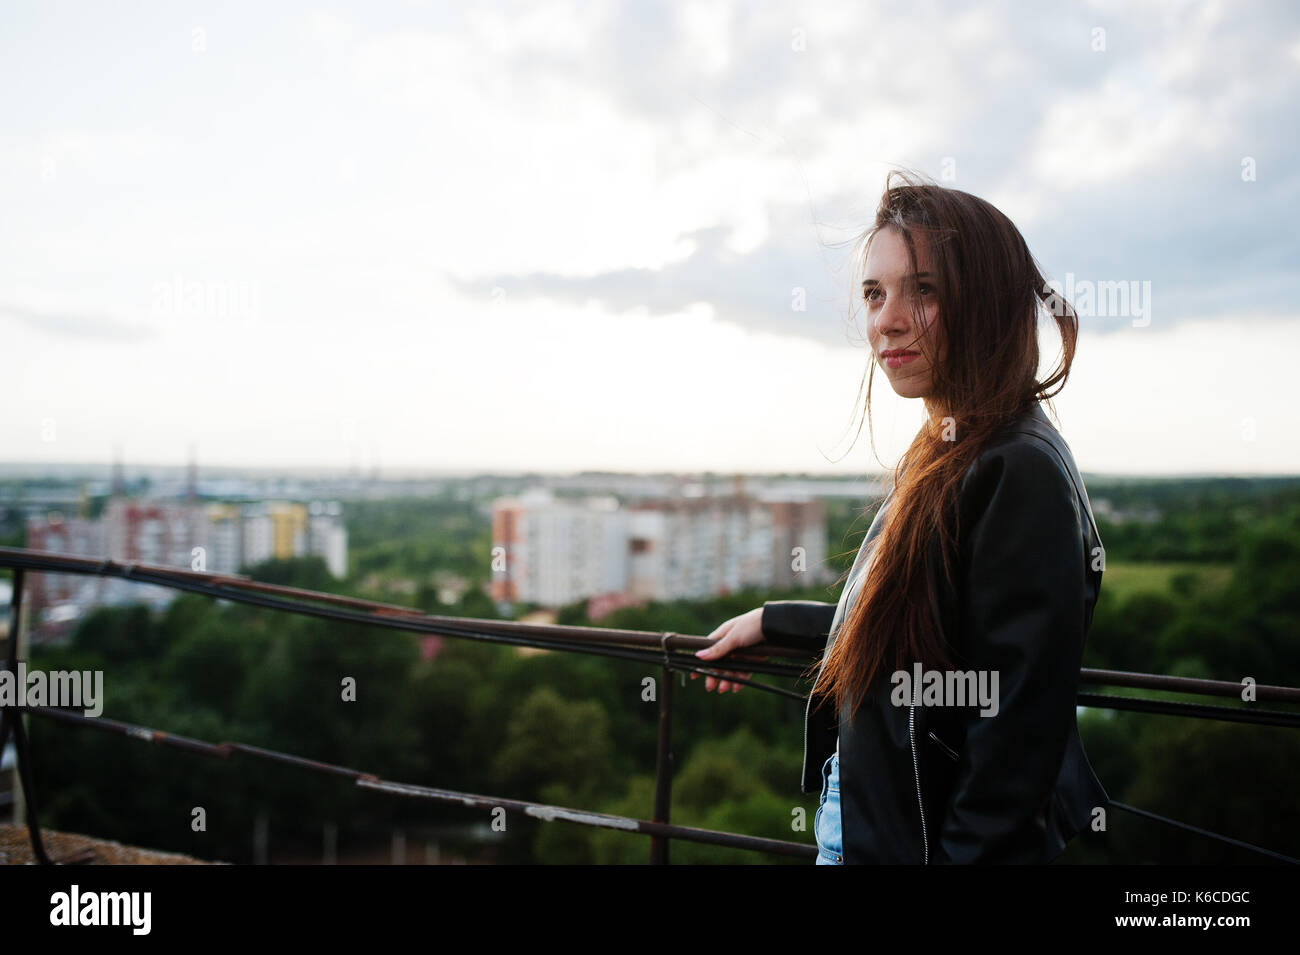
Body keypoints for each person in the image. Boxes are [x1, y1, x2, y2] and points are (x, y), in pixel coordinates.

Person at [693, 170, 1109, 864]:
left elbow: (1016, 731)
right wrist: (776, 621)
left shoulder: (1018, 466)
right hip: (861, 823)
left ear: (987, 302)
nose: (886, 318)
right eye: (873, 292)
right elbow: (923, 636)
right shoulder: (948, 449)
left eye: (924, 289)